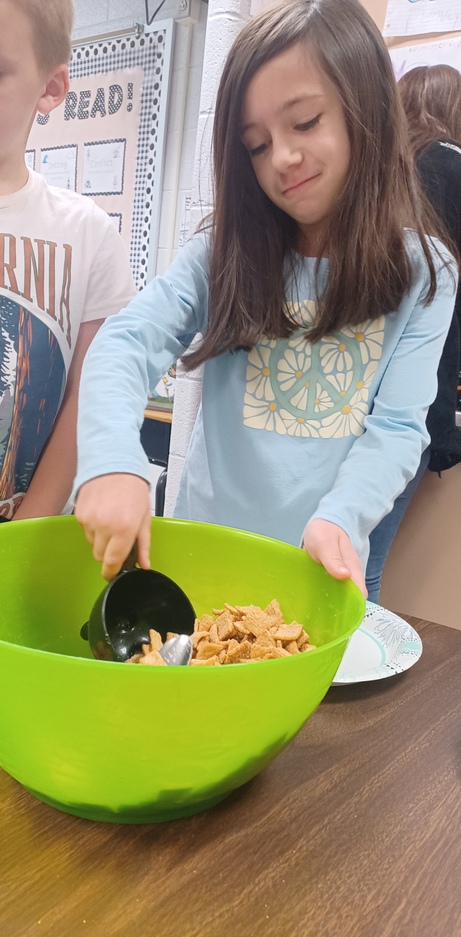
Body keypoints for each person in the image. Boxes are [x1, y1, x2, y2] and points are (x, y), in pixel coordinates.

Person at [74, 0, 458, 596]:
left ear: (371, 112)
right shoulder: (220, 256)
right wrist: (111, 458)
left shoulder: (425, 272)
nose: (282, 157)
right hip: (202, 562)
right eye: (256, 145)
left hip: (315, 574)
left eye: (304, 123)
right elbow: (125, 342)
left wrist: (343, 515)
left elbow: (399, 429)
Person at [0, 0, 136, 523]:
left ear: (50, 89)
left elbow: (88, 392)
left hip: (29, 540)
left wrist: (27, 528)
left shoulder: (88, 233)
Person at [366, 63, 461, 603]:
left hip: (349, 384)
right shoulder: (455, 168)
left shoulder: (376, 171)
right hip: (416, 388)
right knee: (363, 565)